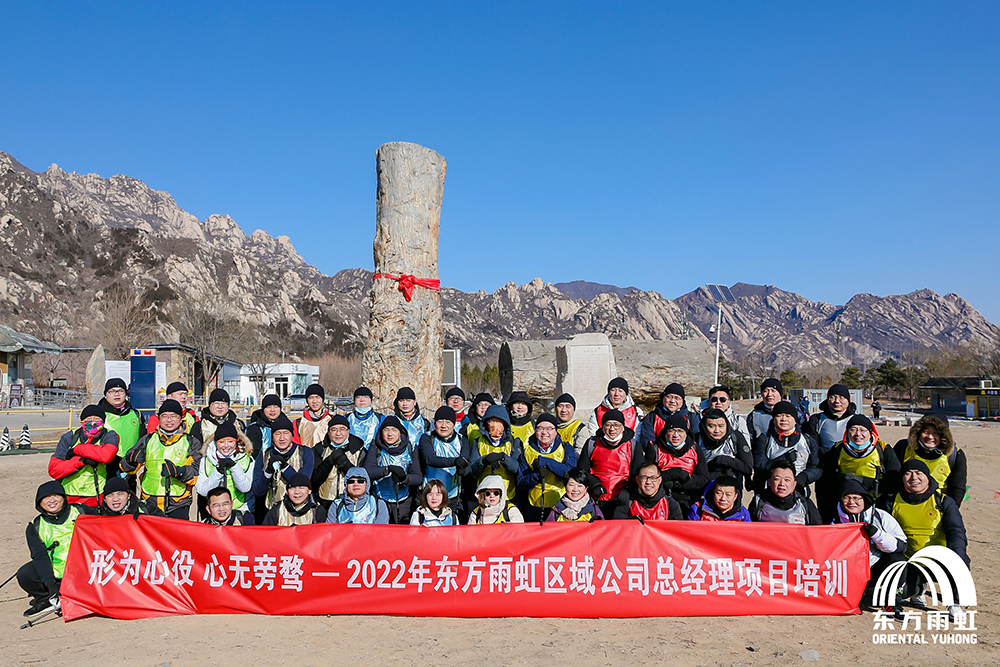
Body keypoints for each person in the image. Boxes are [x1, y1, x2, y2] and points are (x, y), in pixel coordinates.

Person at [881, 459, 969, 620]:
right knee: (901, 592)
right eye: (908, 473)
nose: (913, 478)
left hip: (937, 560)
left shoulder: (943, 501)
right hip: (908, 561)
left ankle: (954, 603)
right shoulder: (891, 501)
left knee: (961, 560)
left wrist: (958, 557)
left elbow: (956, 532)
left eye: (919, 473)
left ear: (927, 477)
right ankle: (917, 588)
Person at [18, 481, 93, 617]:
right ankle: (46, 599)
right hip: (58, 576)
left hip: (87, 571)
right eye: (46, 497)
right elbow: (40, 557)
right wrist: (51, 586)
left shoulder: (81, 511)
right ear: (39, 502)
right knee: (25, 574)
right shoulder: (35, 526)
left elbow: (108, 517)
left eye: (56, 496)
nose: (52, 500)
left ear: (64, 498)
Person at [120, 400, 202, 519]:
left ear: (181, 419)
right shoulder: (148, 439)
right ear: (159, 419)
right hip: (149, 501)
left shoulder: (191, 442)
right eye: (164, 416)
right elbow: (124, 467)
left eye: (173, 416)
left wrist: (179, 472)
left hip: (178, 503)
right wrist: (130, 462)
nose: (169, 420)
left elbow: (197, 472)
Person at [817, 414, 899, 523]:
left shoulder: (883, 449)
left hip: (876, 503)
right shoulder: (838, 449)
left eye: (862, 430)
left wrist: (868, 483)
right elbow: (827, 480)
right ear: (847, 432)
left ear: (870, 432)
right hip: (847, 504)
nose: (858, 434)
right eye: (853, 430)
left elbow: (895, 481)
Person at [832, 480, 906, 595]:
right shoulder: (836, 522)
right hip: (849, 572)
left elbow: (900, 546)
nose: (851, 502)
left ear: (864, 499)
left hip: (875, 566)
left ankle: (893, 598)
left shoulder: (881, 516)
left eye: (856, 498)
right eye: (847, 498)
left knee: (897, 559)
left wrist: (877, 534)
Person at [578, 409, 650, 516]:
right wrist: (594, 485)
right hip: (596, 499)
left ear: (623, 427)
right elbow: (582, 471)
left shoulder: (633, 446)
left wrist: (627, 490)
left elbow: (638, 473)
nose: (612, 429)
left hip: (623, 500)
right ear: (602, 427)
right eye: (608, 425)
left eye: (616, 425)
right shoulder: (591, 443)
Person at [48, 405, 119, 506]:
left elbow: (106, 456)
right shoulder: (69, 437)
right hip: (69, 494)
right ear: (82, 421)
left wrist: (77, 449)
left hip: (97, 495)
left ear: (103, 421)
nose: (93, 422)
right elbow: (54, 470)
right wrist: (81, 461)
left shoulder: (110, 435)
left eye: (97, 419)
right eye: (88, 419)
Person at [892, 414, 967, 508]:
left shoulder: (955, 455)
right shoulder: (903, 448)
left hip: (937, 508)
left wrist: (950, 510)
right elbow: (893, 478)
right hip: (903, 504)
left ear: (944, 436)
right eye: (926, 432)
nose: (930, 437)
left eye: (936, 433)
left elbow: (957, 488)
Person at [251, 415, 315, 524]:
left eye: (286, 433)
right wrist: (268, 472)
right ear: (272, 437)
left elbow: (303, 481)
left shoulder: (305, 452)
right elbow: (258, 490)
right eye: (277, 434)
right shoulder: (264, 455)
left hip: (300, 511)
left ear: (292, 435)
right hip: (272, 511)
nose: (282, 438)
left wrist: (285, 467)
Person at [518, 413, 579, 522]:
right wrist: (536, 476)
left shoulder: (565, 448)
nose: (544, 432)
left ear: (556, 431)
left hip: (561, 504)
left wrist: (546, 462)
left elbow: (570, 473)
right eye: (540, 428)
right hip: (534, 505)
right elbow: (520, 481)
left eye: (549, 428)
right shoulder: (527, 450)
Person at [751, 400, 821, 494]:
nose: (784, 419)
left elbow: (816, 467)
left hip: (800, 491)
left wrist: (803, 478)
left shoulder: (807, 441)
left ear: (795, 420)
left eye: (788, 416)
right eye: (779, 415)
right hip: (771, 492)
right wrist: (783, 459)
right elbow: (759, 467)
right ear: (773, 419)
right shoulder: (764, 440)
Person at [364, 415, 422, 523]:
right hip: (379, 499)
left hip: (404, 501)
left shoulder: (410, 447)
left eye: (394, 430)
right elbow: (368, 472)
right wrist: (386, 470)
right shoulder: (376, 446)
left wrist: (404, 478)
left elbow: (418, 476)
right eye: (386, 430)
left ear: (400, 432)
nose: (390, 434)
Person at [651, 414, 709, 517]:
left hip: (688, 497)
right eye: (672, 431)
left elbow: (703, 478)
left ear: (686, 433)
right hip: (662, 497)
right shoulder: (655, 449)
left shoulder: (695, 449)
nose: (676, 435)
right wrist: (672, 474)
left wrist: (676, 484)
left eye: (680, 431)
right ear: (666, 432)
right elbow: (649, 477)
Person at [195, 421, 255, 518]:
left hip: (240, 509)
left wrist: (234, 467)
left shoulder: (247, 459)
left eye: (230, 441)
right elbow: (203, 491)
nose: (226, 446)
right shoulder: (206, 460)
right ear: (216, 443)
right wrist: (217, 472)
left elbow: (245, 488)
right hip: (216, 512)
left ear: (236, 441)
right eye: (221, 442)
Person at [468, 404, 523, 504]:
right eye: (491, 421)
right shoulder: (477, 442)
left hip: (506, 494)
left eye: (498, 421)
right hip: (485, 494)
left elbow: (516, 468)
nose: (494, 425)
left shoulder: (514, 442)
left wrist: (503, 458)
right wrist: (484, 461)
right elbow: (473, 470)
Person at [418, 406, 470, 510]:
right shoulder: (427, 438)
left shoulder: (461, 440)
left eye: (448, 422)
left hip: (452, 495)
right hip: (430, 495)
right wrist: (455, 461)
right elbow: (430, 459)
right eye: (440, 421)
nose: (443, 425)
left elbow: (466, 462)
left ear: (453, 424)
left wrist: (463, 470)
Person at [312, 414, 368, 509]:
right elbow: (314, 479)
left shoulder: (359, 450)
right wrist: (329, 461)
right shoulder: (320, 449)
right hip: (325, 500)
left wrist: (344, 463)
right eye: (334, 430)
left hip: (352, 501)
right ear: (328, 432)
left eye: (342, 429)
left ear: (348, 431)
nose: (338, 433)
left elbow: (364, 478)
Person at [695, 408, 753, 489]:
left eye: (721, 426)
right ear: (704, 426)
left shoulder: (735, 437)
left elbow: (747, 468)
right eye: (711, 426)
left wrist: (722, 460)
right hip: (703, 488)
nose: (717, 430)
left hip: (731, 489)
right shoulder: (696, 440)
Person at [749, 461, 822, 524]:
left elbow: (818, 530)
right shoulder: (759, 502)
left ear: (794, 484)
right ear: (770, 482)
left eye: (787, 480)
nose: (782, 484)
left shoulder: (804, 503)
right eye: (777, 479)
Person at [611, 462, 682, 521]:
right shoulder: (627, 502)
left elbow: (677, 530)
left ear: (660, 480)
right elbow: (618, 528)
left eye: (653, 478)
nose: (648, 482)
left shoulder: (670, 504)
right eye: (644, 478)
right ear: (637, 479)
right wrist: (631, 523)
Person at [190, 388, 251, 456]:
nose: (220, 406)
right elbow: (195, 451)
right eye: (216, 403)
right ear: (210, 405)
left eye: (223, 403)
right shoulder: (199, 426)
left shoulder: (238, 424)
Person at [98, 378, 145, 464]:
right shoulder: (98, 415)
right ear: (105, 395)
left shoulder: (136, 414)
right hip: (106, 463)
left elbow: (142, 439)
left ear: (126, 394)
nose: (117, 394)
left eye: (120, 391)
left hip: (130, 462)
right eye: (112, 391)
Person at [804, 384, 861, 455]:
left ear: (848, 400)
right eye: (832, 397)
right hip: (823, 458)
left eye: (841, 398)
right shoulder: (817, 419)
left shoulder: (857, 420)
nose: (837, 401)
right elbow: (812, 444)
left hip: (850, 458)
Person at [639, 382, 697, 448]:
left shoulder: (691, 418)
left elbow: (695, 441)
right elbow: (647, 443)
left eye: (677, 398)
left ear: (682, 401)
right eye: (669, 397)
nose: (672, 401)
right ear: (663, 398)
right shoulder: (652, 417)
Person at [262, 473, 326, 525]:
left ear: (309, 491)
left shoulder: (317, 510)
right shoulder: (277, 509)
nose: (297, 492)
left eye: (301, 488)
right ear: (287, 492)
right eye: (292, 488)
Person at [687, 476, 752, 522]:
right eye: (719, 493)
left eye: (728, 495)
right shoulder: (698, 509)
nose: (723, 498)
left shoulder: (743, 514)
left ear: (735, 496)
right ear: (713, 493)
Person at [292, 383, 333, 448]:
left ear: (322, 399)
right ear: (307, 400)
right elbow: (295, 446)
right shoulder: (298, 423)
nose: (314, 401)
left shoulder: (332, 420)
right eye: (311, 398)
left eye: (317, 397)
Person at [745, 378, 784, 445]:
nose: (769, 394)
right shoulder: (753, 416)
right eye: (766, 391)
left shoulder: (792, 413)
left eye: (773, 391)